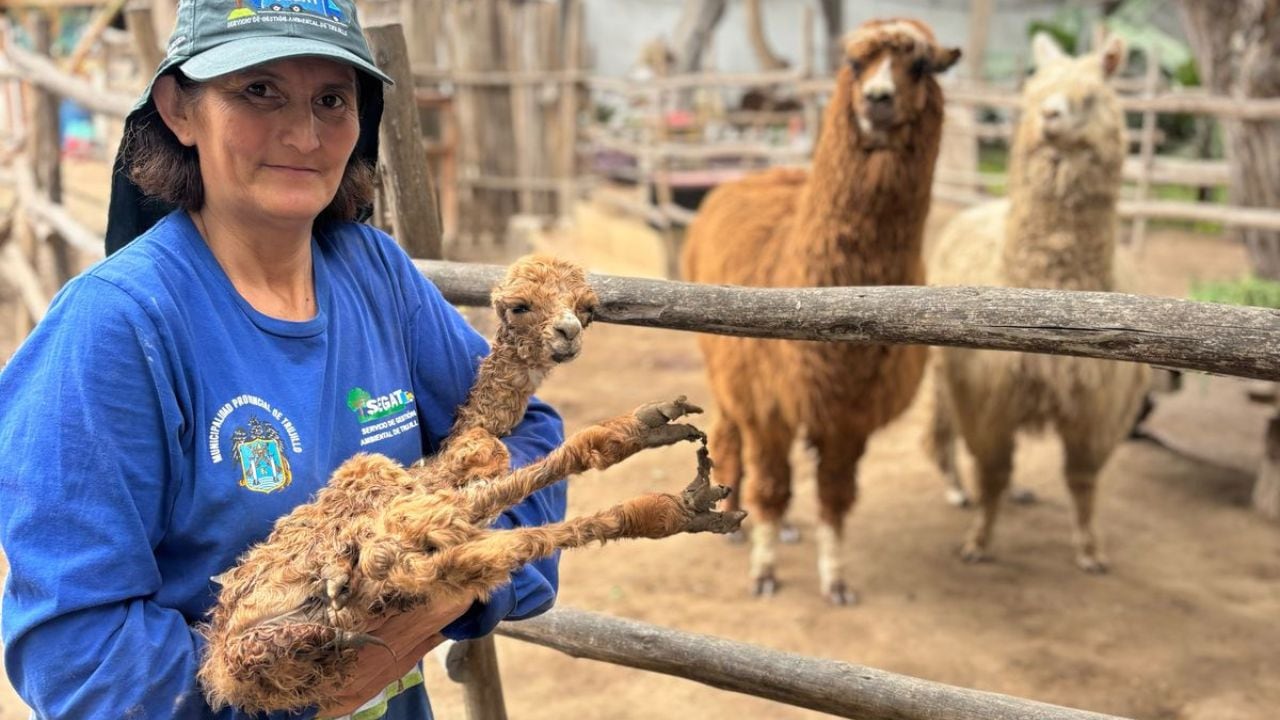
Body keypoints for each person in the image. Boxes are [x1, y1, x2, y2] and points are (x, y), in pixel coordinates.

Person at [0, 0, 567, 717]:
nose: (304, 133)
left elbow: (527, 433)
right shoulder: (116, 329)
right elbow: (76, 651)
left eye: (331, 99)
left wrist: (460, 579)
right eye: (258, 90)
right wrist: (299, 687)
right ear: (179, 108)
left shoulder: (374, 275)